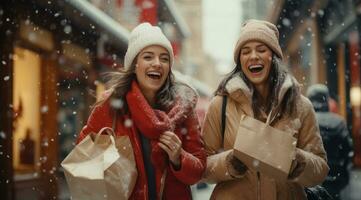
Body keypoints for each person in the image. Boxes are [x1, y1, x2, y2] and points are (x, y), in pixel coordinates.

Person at [201, 19, 329, 199]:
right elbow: (202, 167)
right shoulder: (220, 105)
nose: (253, 56)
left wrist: (296, 161)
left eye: (261, 49)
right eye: (245, 52)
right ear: (240, 61)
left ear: (274, 56)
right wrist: (230, 162)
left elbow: (321, 169)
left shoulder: (301, 106)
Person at [77, 23, 206, 200]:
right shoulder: (111, 105)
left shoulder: (183, 109)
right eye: (148, 57)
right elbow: (84, 162)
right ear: (135, 64)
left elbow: (198, 172)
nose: (157, 64)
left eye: (164, 58)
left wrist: (179, 158)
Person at [307, 84, 353, 200]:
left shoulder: (305, 121)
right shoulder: (339, 122)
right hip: (335, 179)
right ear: (326, 99)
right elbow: (347, 151)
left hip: (312, 180)